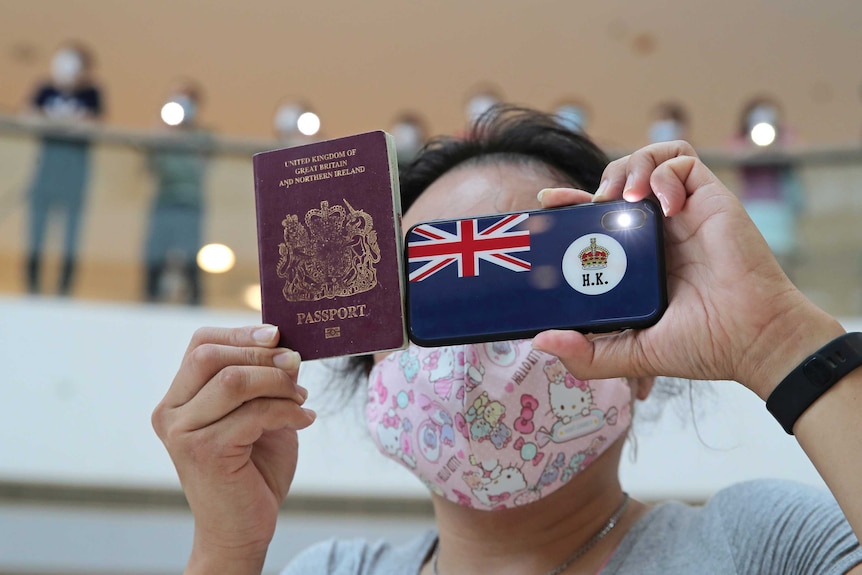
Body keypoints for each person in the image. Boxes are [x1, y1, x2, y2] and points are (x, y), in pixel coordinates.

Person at [152, 106, 862, 574]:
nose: (468, 357)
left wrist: (779, 339)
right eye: (430, 292)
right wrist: (228, 546)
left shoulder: (762, 547)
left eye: (525, 282)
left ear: (643, 355)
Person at [24, 40, 104, 295]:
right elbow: (28, 118)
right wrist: (68, 122)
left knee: (70, 233)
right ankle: (33, 286)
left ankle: (64, 288)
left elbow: (93, 124)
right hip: (45, 170)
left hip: (75, 173)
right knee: (36, 230)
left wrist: (55, 121)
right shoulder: (45, 89)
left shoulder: (91, 93)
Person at [143, 81, 212, 305]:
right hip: (164, 200)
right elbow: (149, 168)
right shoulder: (161, 136)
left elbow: (198, 168)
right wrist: (159, 139)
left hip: (190, 204)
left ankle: (195, 303)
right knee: (155, 253)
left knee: (190, 255)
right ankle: (149, 301)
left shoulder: (203, 137)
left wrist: (181, 140)